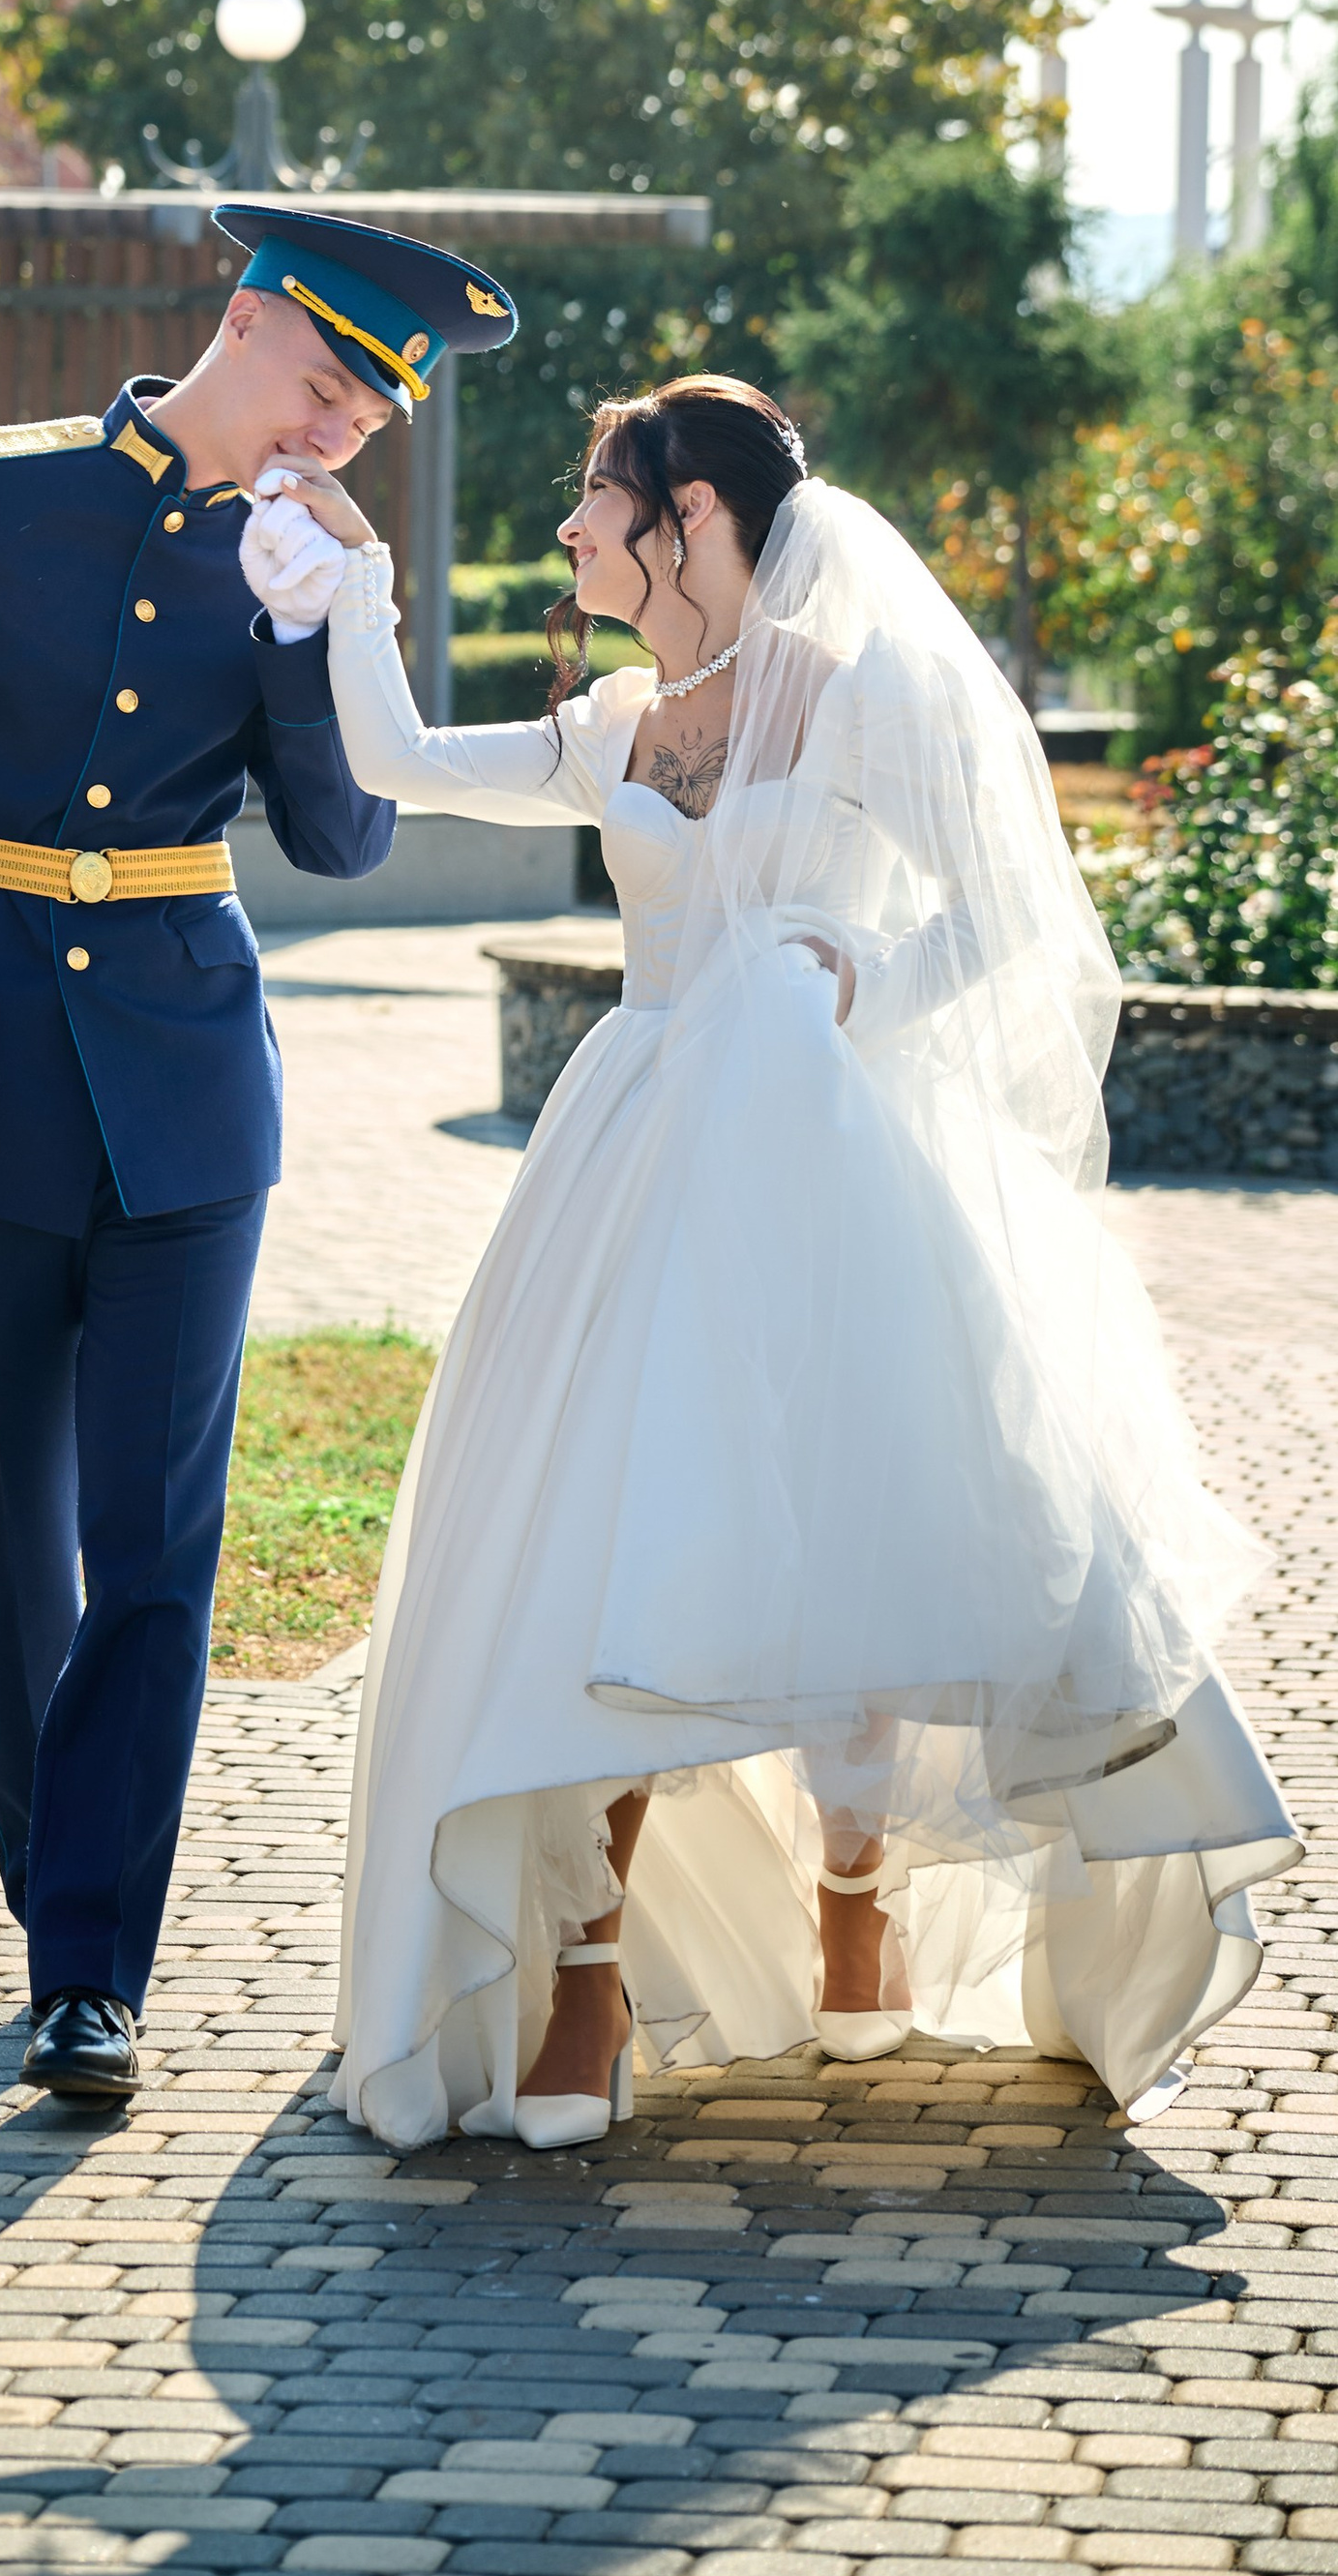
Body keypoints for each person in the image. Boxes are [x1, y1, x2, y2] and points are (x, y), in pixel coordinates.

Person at [271, 373, 1296, 2145]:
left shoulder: (853, 697)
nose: (573, 527)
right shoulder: (613, 718)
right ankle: (584, 1986)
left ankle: (853, 1905)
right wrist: (355, 587)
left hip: (816, 1152)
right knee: (612, 1547)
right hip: (635, 1151)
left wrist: (857, 984)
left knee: (855, 1534)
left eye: (602, 497)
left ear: (694, 521)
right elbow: (397, 764)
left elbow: (1007, 905)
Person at [0, 203, 520, 2099]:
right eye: (333, 373)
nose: (350, 424)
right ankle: (63, 1905)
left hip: (191, 1091)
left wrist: (310, 629)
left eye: (381, 408)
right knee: (4, 1516)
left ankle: (88, 1966)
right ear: (247, 312)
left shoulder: (311, 556)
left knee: (155, 1542)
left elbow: (343, 842)